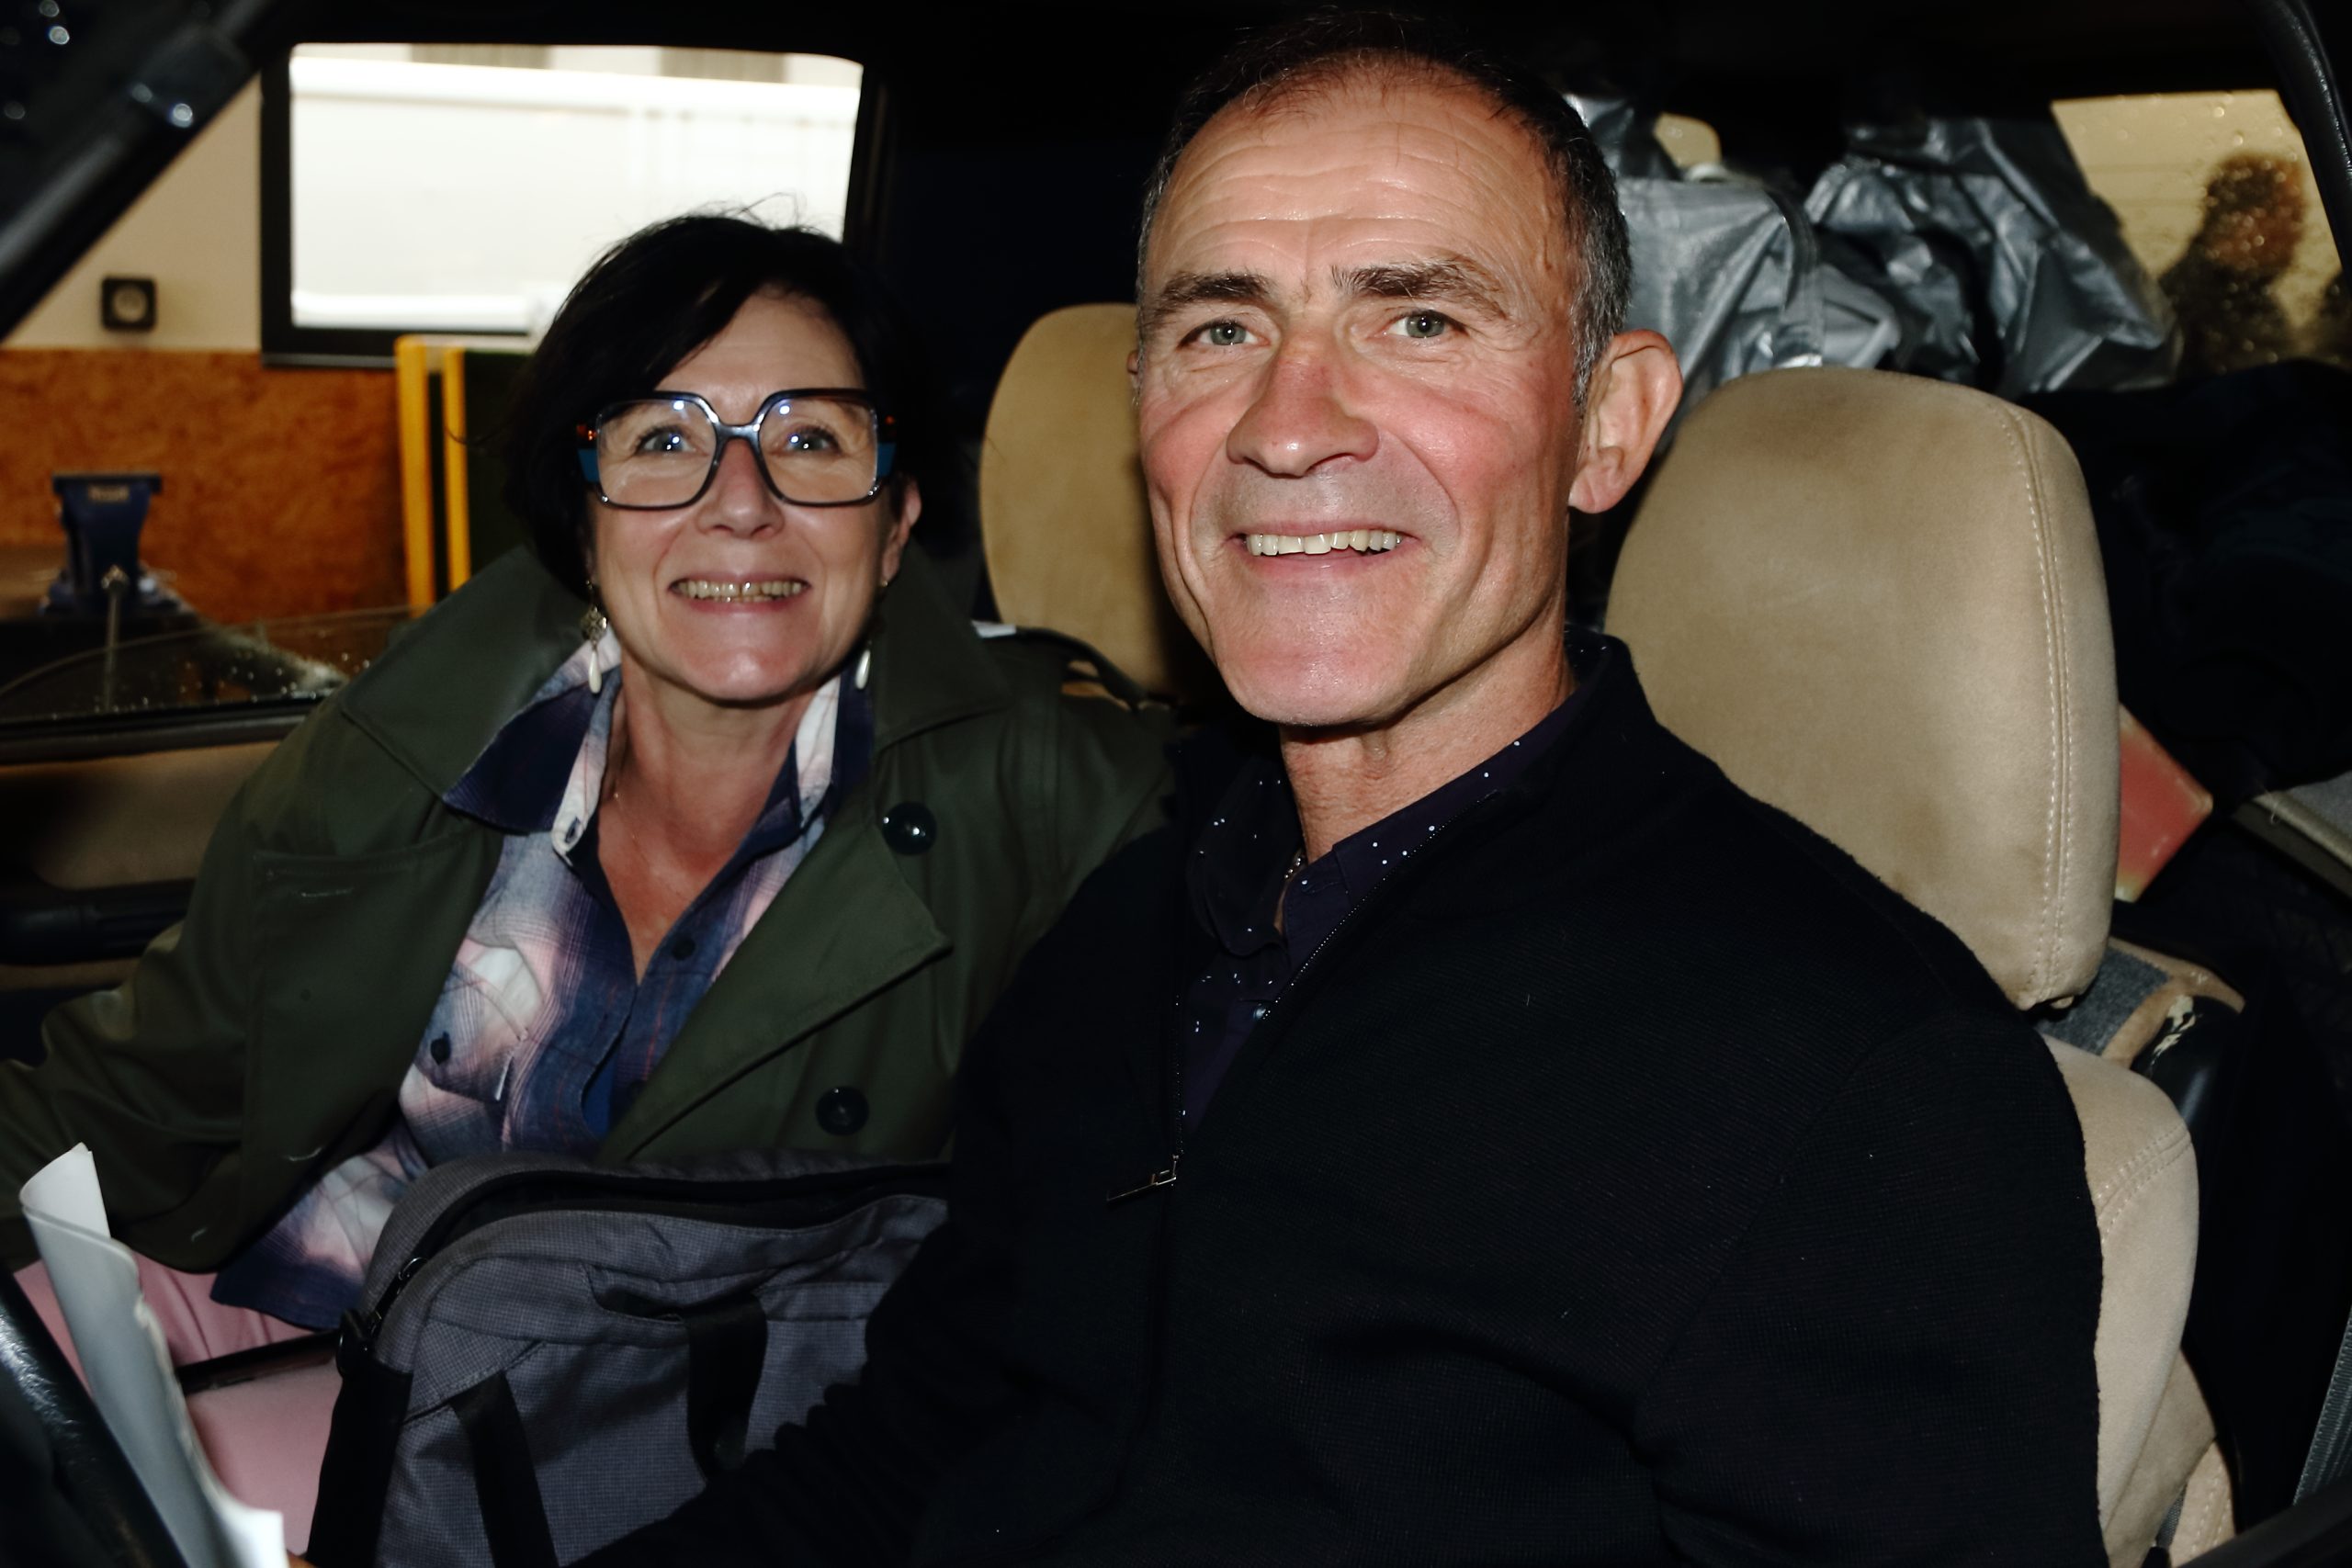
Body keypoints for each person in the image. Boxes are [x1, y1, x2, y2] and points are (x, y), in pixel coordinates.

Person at [578, 16, 2107, 1565]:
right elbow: (903, 1448)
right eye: (1220, 330)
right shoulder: (1131, 926)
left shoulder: (1857, 1080)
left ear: (1606, 425)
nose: (1289, 426)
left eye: (1420, 319)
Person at [2, 215, 1170, 1536]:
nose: (742, 501)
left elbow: (1079, 1275)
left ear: (895, 523)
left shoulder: (1061, 809)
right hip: (299, 1283)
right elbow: (145, 1086)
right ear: (583, 512)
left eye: (811, 440)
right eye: (664, 440)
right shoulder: (420, 738)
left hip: (626, 1417)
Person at [2161, 152, 2308, 378]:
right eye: (2294, 216)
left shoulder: (2248, 293)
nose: (2300, 233)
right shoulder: (2191, 306)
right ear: (2250, 218)